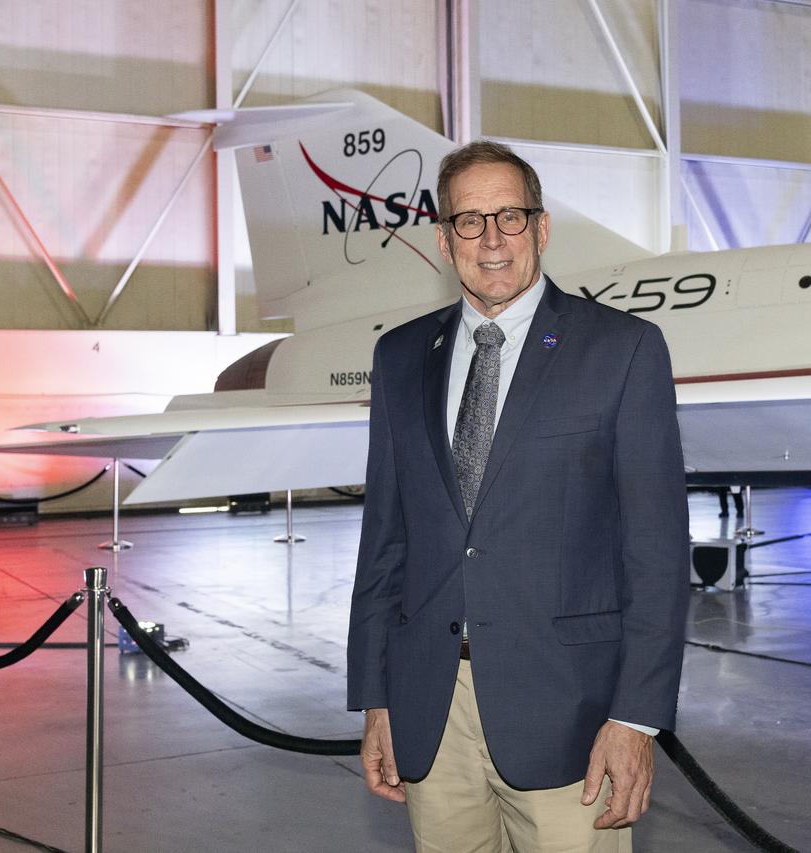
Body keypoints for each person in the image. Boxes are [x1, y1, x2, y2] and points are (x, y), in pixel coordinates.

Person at [347, 140, 689, 852]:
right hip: (432, 711)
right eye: (470, 221)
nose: (493, 238)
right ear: (444, 240)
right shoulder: (400, 357)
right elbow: (385, 537)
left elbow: (656, 552)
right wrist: (377, 696)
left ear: (542, 226)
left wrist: (636, 719)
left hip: (572, 715)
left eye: (510, 215)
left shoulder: (623, 350)